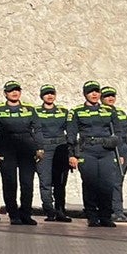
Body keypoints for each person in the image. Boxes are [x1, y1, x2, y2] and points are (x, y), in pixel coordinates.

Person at [0, 80, 42, 225]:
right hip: (7, 147)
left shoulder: (29, 109)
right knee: (10, 183)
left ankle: (26, 214)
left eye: (17, 90)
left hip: (26, 148)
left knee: (27, 183)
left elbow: (38, 130)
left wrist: (39, 148)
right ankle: (14, 215)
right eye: (11, 90)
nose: (15, 93)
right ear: (5, 93)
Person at [68, 81, 122, 227]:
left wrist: (119, 149)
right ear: (85, 93)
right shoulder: (76, 111)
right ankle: (92, 216)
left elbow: (118, 132)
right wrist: (72, 155)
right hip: (87, 150)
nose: (94, 94)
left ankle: (106, 216)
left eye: (96, 91)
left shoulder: (109, 110)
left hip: (106, 151)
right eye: (91, 92)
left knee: (107, 184)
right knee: (90, 184)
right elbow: (71, 135)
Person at [35, 85, 72, 222]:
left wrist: (72, 151)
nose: (49, 96)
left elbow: (70, 131)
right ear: (41, 96)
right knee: (45, 181)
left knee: (60, 182)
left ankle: (60, 210)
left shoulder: (63, 111)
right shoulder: (36, 111)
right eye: (46, 94)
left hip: (60, 148)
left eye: (52, 93)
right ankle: (49, 210)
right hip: (44, 148)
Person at [101, 87, 127, 222]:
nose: (110, 98)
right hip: (111, 151)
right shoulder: (100, 113)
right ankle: (113, 211)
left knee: (118, 182)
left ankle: (118, 211)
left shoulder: (121, 113)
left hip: (123, 150)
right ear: (102, 99)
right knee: (111, 182)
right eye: (107, 96)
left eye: (112, 96)